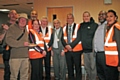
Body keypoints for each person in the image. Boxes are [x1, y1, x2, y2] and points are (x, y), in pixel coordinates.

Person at [71, 11, 98, 80]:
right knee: (87, 67)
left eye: (87, 16)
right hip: (84, 51)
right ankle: (90, 78)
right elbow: (78, 36)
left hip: (92, 50)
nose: (86, 17)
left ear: (89, 16)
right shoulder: (81, 25)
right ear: (83, 17)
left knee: (93, 67)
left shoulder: (95, 25)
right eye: (84, 16)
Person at [5, 13, 29, 80]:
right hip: (15, 57)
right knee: (14, 76)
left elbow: (27, 41)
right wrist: (22, 44)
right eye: (21, 19)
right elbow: (8, 40)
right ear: (18, 20)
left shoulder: (26, 29)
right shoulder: (12, 28)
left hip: (25, 57)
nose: (23, 21)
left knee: (24, 76)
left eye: (25, 20)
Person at [62, 13, 83, 80]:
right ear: (66, 19)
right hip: (67, 52)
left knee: (78, 68)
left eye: (71, 18)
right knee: (69, 68)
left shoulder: (78, 26)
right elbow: (62, 39)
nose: (69, 19)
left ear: (73, 19)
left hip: (76, 51)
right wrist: (66, 46)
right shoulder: (64, 28)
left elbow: (79, 37)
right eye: (68, 18)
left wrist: (70, 46)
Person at [0, 10, 18, 80]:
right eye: (12, 14)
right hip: (7, 50)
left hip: (17, 50)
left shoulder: (19, 26)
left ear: (17, 16)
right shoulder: (4, 26)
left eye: (15, 14)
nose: (13, 15)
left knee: (17, 69)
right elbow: (0, 39)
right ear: (9, 15)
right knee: (7, 69)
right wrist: (5, 30)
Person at [104, 10, 120, 80]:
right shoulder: (109, 28)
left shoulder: (116, 28)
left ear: (115, 18)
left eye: (111, 16)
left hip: (115, 62)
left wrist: (119, 64)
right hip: (109, 61)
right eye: (107, 17)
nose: (109, 18)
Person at [93, 10, 109, 80]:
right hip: (97, 53)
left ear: (106, 16)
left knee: (106, 72)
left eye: (103, 14)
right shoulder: (98, 26)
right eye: (99, 15)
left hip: (104, 53)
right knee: (99, 72)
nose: (101, 16)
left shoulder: (108, 25)